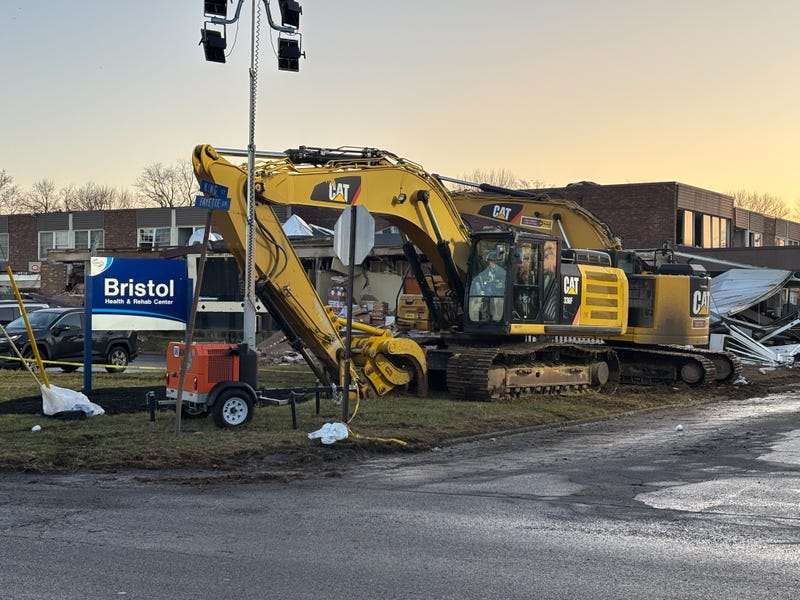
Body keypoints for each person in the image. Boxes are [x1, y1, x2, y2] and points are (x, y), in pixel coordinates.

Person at [469, 249, 507, 321]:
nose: (491, 263)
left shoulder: (503, 273)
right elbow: (479, 280)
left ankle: (496, 320)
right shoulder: (483, 274)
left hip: (499, 297)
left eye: (493, 261)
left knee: (497, 301)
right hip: (487, 296)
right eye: (490, 261)